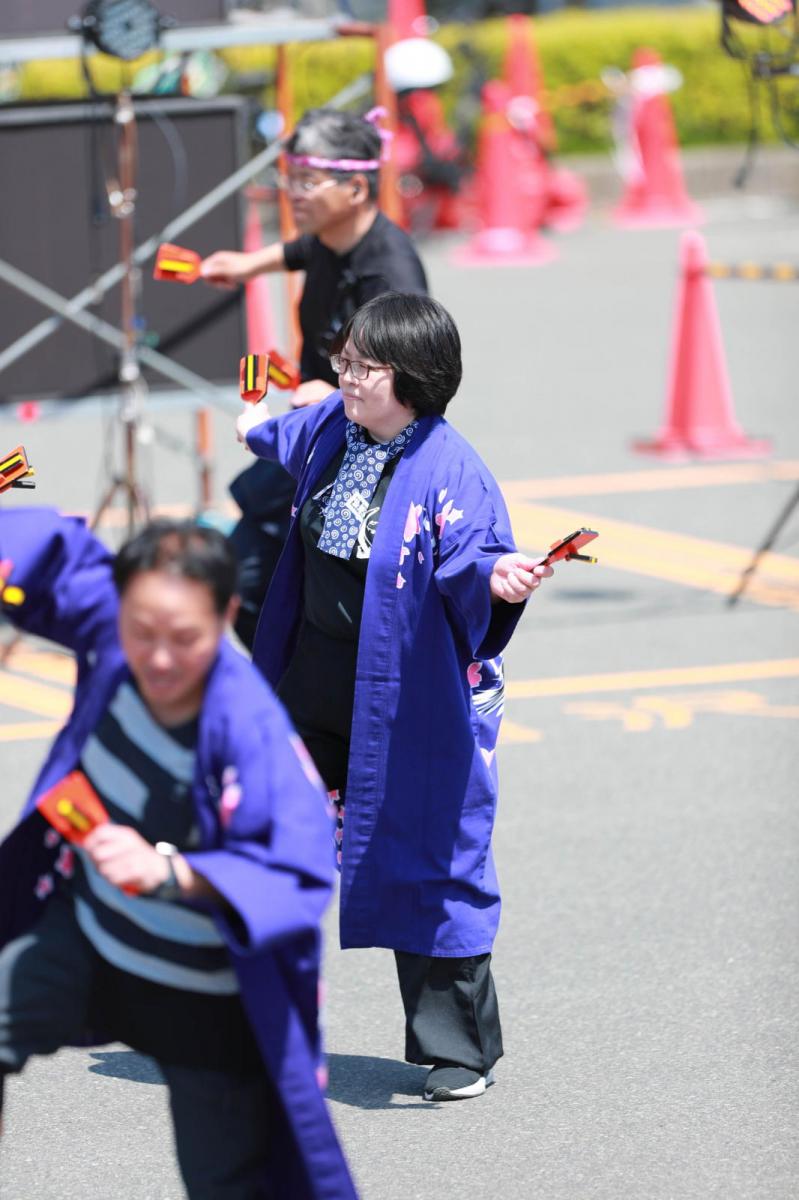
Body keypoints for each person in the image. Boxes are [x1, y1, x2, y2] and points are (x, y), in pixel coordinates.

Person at [235, 292, 554, 1103]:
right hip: (310, 676)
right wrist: (251, 423)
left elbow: (475, 558)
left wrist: (497, 575)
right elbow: (279, 433)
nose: (343, 374)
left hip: (403, 698)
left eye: (361, 365)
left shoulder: (452, 468)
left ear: (412, 377)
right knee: (265, 833)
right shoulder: (333, 430)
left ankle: (457, 1048)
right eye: (342, 359)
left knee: (430, 855)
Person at [0, 511, 357, 1199]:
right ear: (120, 601)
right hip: (89, 938)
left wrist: (170, 871)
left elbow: (299, 872)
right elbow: (54, 554)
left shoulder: (246, 725)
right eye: (142, 633)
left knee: (228, 1180)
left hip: (202, 985)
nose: (159, 658)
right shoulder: (111, 622)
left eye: (184, 639)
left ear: (226, 613)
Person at [201, 107, 429, 649]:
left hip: (360, 463)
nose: (293, 194)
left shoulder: (389, 277)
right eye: (290, 180)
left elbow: (414, 385)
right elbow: (302, 250)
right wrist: (247, 264)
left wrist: (332, 394)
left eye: (307, 182)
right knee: (252, 586)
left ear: (355, 187)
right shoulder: (331, 238)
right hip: (316, 440)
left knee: (275, 594)